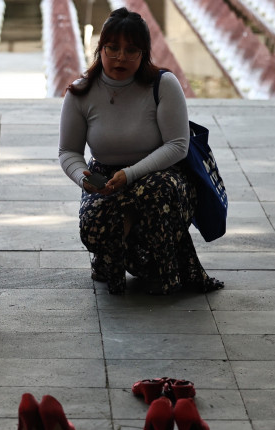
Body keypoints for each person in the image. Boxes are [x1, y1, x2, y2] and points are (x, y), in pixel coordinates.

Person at [58, 8, 223, 295]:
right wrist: (82, 177)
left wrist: (131, 174)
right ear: (101, 48)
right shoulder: (80, 92)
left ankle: (159, 266)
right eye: (113, 48)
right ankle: (119, 252)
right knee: (94, 226)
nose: (120, 57)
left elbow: (178, 145)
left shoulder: (163, 85)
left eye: (131, 50)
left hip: (162, 175)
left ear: (144, 53)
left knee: (154, 192)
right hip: (106, 179)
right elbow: (68, 151)